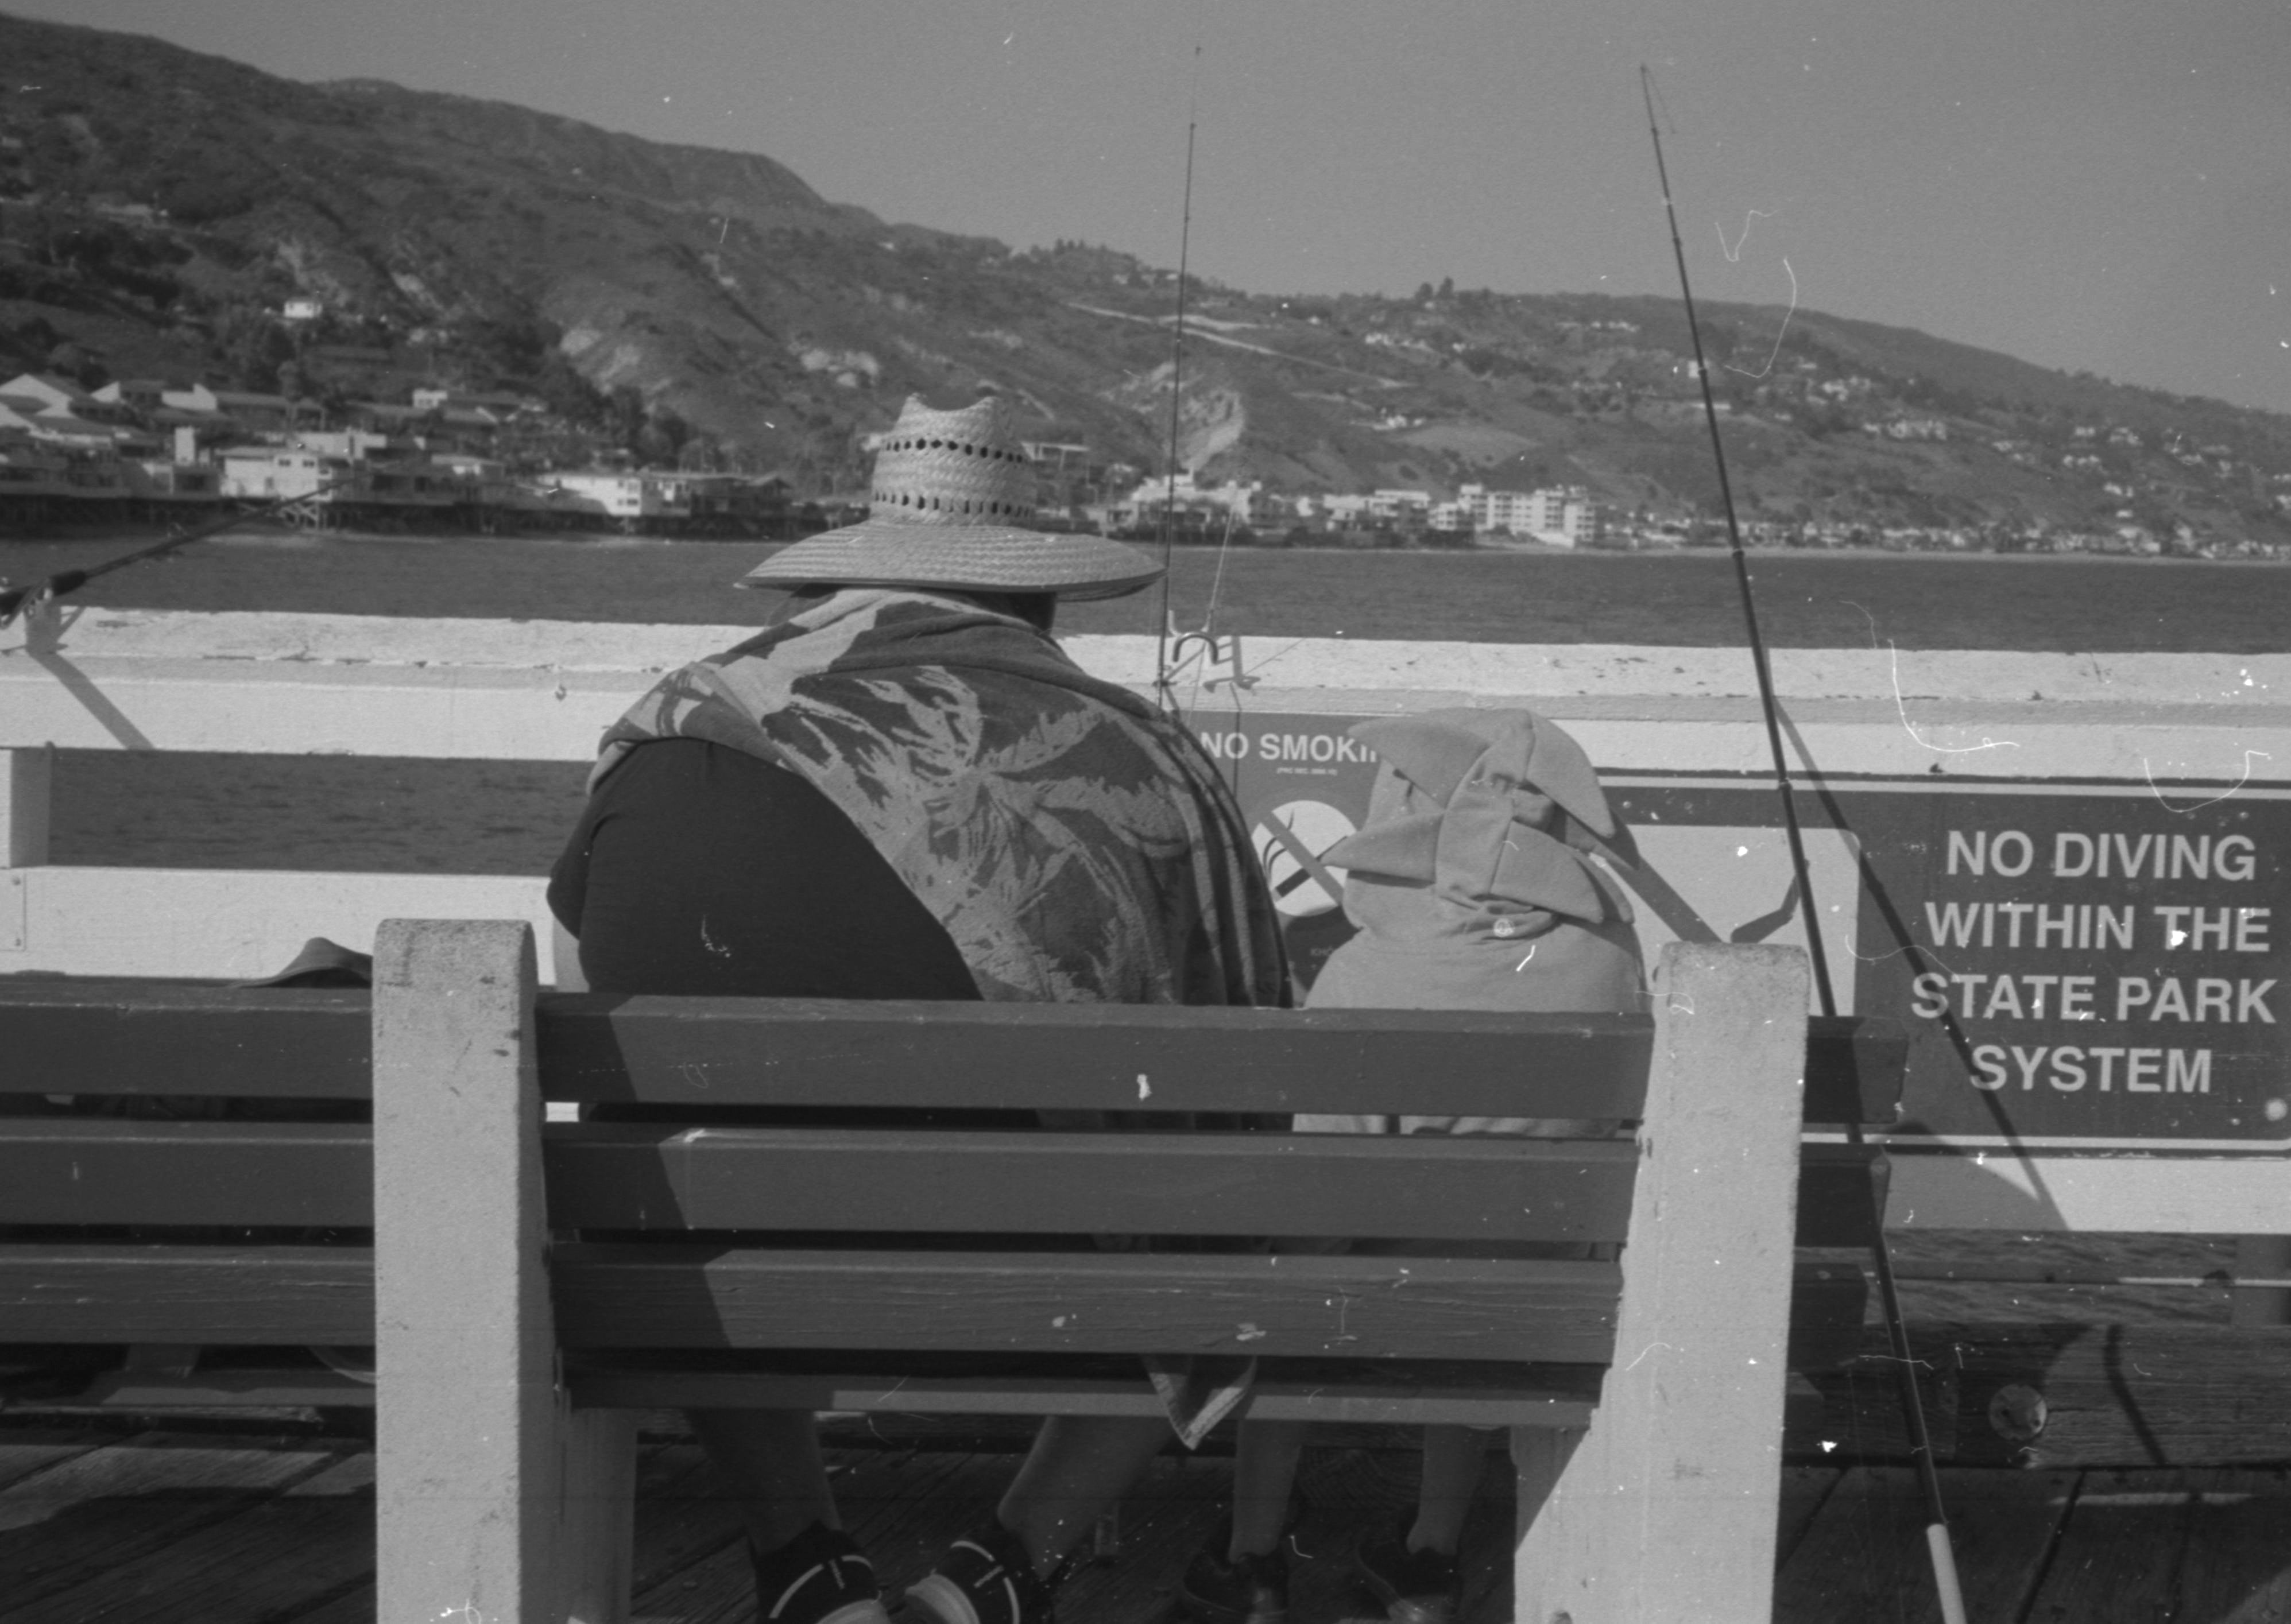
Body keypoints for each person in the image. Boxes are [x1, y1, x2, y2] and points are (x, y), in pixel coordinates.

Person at [547, 394, 1289, 1624]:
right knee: (1230, 1213)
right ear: (1038, 602)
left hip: (687, 1281)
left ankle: (802, 1556)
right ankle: (995, 1571)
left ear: (834, 592)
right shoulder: (1126, 749)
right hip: (1035, 1296)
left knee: (675, 1142)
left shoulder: (672, 727)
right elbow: (1242, 1057)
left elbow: (594, 968)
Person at [1180, 708, 1645, 1624]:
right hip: (1528, 1309)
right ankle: (1429, 1554)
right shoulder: (1608, 961)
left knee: (1288, 1283)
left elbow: (1323, 1202)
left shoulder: (1366, 974)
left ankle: (1255, 1554)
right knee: (1477, 1264)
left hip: (1358, 1305)